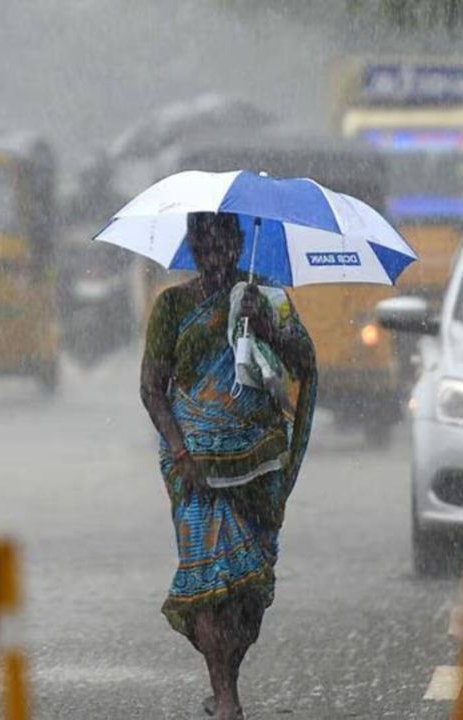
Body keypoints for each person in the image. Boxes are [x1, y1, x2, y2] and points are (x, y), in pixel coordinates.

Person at [139, 212, 317, 720]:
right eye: (204, 241)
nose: (214, 251)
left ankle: (227, 675)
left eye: (224, 240)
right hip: (193, 465)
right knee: (208, 582)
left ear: (239, 243)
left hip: (257, 464)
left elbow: (304, 362)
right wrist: (180, 449)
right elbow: (152, 388)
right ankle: (225, 694)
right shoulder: (172, 307)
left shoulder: (269, 299)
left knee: (248, 590)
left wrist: (269, 329)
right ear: (192, 245)